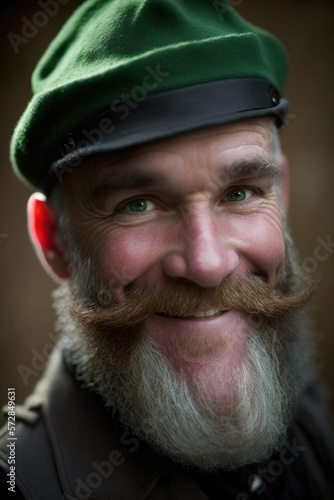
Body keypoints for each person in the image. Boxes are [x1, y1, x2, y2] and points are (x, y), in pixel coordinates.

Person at [0, 0, 333, 498]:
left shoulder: (312, 419)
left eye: (240, 193)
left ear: (279, 197)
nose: (207, 263)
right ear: (55, 242)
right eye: (138, 204)